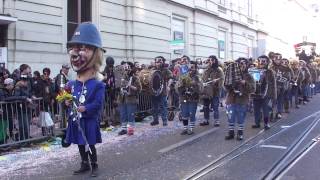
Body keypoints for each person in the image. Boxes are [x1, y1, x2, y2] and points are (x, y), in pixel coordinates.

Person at [65, 22, 105, 177]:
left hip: (88, 120)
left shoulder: (98, 84)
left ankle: (94, 165)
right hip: (76, 119)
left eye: (85, 48)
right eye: (76, 48)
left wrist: (85, 108)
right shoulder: (74, 83)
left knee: (90, 144)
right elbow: (72, 98)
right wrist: (68, 103)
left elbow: (98, 103)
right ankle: (84, 163)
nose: (77, 53)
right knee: (80, 144)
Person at [225, 58, 255, 140]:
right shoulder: (231, 74)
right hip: (231, 98)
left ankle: (240, 133)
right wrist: (229, 85)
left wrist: (245, 83)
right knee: (230, 116)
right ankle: (231, 133)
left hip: (242, 99)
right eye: (240, 63)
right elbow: (226, 88)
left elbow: (252, 89)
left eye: (244, 63)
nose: (242, 65)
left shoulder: (249, 76)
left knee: (240, 117)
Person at [117, 61, 141, 135]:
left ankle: (130, 129)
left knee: (130, 114)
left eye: (127, 67)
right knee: (123, 115)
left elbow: (139, 89)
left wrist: (130, 86)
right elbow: (119, 85)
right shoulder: (121, 76)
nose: (125, 68)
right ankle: (124, 129)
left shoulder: (134, 77)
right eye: (124, 67)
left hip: (131, 99)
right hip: (122, 98)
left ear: (130, 68)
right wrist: (120, 88)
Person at [177, 60, 201, 135]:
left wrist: (194, 87)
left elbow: (201, 88)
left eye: (192, 67)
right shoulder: (183, 76)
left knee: (191, 113)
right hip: (184, 98)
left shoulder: (197, 77)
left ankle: (191, 128)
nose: (190, 69)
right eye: (189, 67)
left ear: (195, 68)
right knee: (184, 114)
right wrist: (181, 87)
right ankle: (185, 129)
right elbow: (177, 87)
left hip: (193, 99)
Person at [199, 55, 224, 127]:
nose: (210, 62)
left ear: (215, 61)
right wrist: (203, 84)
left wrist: (217, 84)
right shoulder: (206, 70)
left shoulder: (219, 70)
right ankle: (206, 120)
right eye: (209, 60)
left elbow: (221, 79)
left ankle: (216, 121)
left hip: (215, 91)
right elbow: (203, 78)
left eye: (212, 60)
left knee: (215, 106)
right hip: (206, 91)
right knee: (205, 106)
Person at [149, 56, 173, 126]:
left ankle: (164, 120)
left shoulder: (166, 70)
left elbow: (171, 77)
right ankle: (155, 120)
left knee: (163, 106)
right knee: (154, 107)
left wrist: (168, 85)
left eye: (160, 62)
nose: (158, 63)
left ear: (163, 62)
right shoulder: (152, 70)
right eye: (157, 62)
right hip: (153, 91)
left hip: (162, 91)